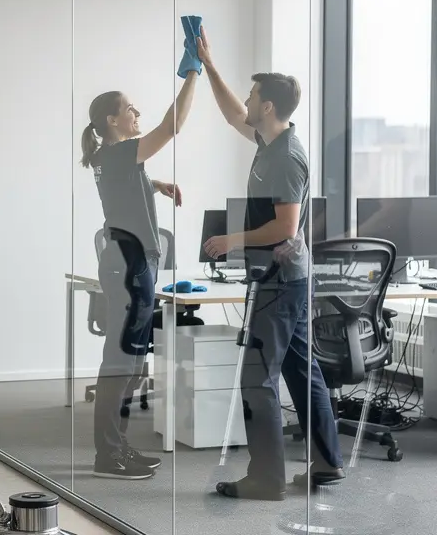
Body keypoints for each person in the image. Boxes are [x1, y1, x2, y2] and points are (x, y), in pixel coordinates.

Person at [197, 26, 345, 500]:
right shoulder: (269, 141)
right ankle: (326, 466)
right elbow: (229, 114)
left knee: (257, 378)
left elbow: (285, 226)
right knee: (304, 373)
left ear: (267, 106)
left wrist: (229, 240)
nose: (246, 98)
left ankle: (265, 479)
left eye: (252, 92)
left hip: (280, 282)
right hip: (288, 280)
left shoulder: (284, 157)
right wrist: (209, 65)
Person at [82, 59, 199, 480]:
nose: (137, 114)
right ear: (111, 120)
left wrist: (156, 184)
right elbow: (172, 126)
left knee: (130, 363)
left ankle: (116, 446)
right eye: (130, 109)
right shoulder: (117, 153)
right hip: (130, 266)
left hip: (130, 263)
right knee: (121, 362)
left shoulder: (113, 158)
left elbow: (126, 183)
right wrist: (192, 75)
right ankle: (107, 455)